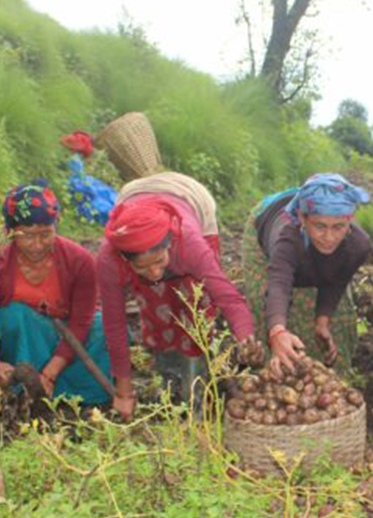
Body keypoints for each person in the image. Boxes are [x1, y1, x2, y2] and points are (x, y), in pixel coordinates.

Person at [97, 172, 259, 419]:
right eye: (142, 267)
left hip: (191, 197)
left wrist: (246, 339)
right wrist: (124, 391)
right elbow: (114, 323)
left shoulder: (189, 244)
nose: (153, 273)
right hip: (135, 197)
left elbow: (226, 296)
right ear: (124, 259)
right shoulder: (109, 258)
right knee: (157, 309)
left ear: (169, 244)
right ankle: (169, 377)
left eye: (160, 261)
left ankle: (200, 383)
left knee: (198, 304)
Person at [0, 184, 113, 406]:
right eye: (28, 236)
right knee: (12, 315)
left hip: (69, 338)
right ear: (10, 233)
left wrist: (51, 371)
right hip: (30, 344)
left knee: (105, 327)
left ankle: (64, 389)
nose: (38, 244)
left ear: (56, 226)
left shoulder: (80, 261)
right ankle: (28, 388)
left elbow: (81, 322)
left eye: (45, 234)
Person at [242, 174, 372, 378]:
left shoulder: (358, 245)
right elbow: (278, 285)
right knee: (270, 312)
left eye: (338, 227)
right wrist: (277, 331)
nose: (329, 237)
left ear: (350, 220)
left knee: (338, 321)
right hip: (265, 227)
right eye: (319, 226)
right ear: (303, 218)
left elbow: (336, 281)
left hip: (307, 253)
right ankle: (273, 375)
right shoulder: (287, 240)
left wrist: (322, 320)